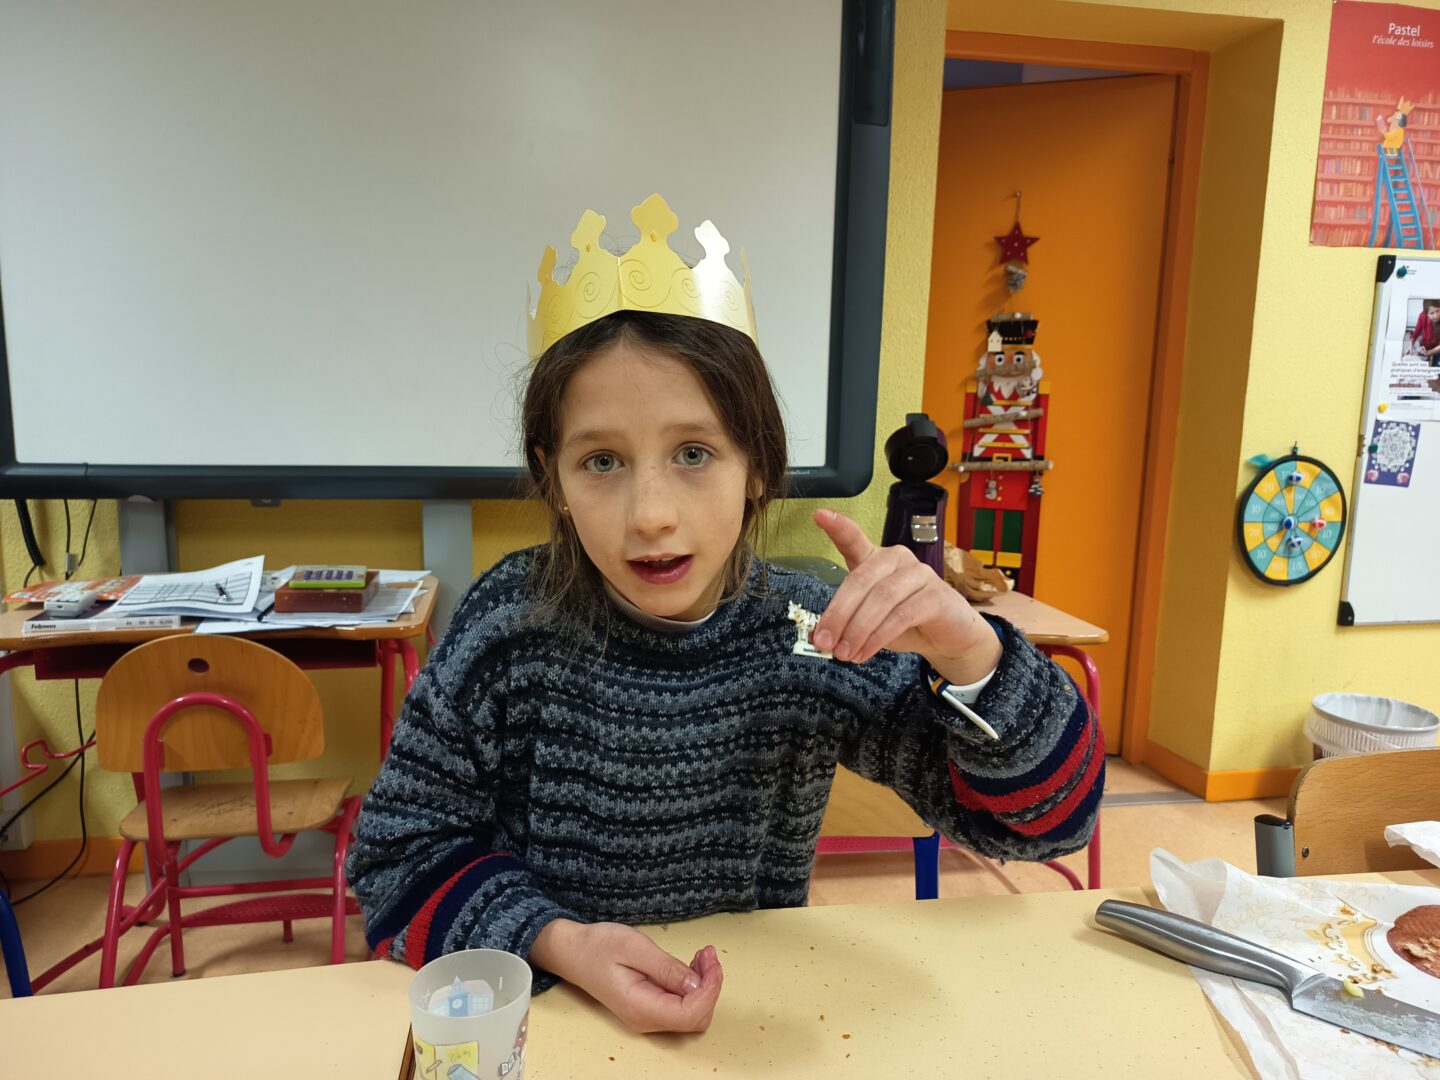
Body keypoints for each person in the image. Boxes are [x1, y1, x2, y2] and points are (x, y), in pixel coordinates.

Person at [346, 197, 1103, 1036]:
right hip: (551, 1022)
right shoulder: (508, 627)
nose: (651, 515)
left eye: (694, 453)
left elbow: (1048, 824)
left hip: (746, 1027)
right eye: (602, 461)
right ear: (551, 474)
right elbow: (394, 860)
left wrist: (974, 662)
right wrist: (557, 941)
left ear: (758, 465)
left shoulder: (813, 632)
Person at [1412, 299, 1440, 364]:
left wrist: (1429, 352)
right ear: (1426, 313)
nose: (1436, 316)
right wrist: (1411, 345)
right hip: (1425, 345)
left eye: (1438, 311)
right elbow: (1416, 332)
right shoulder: (1422, 316)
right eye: (1431, 313)